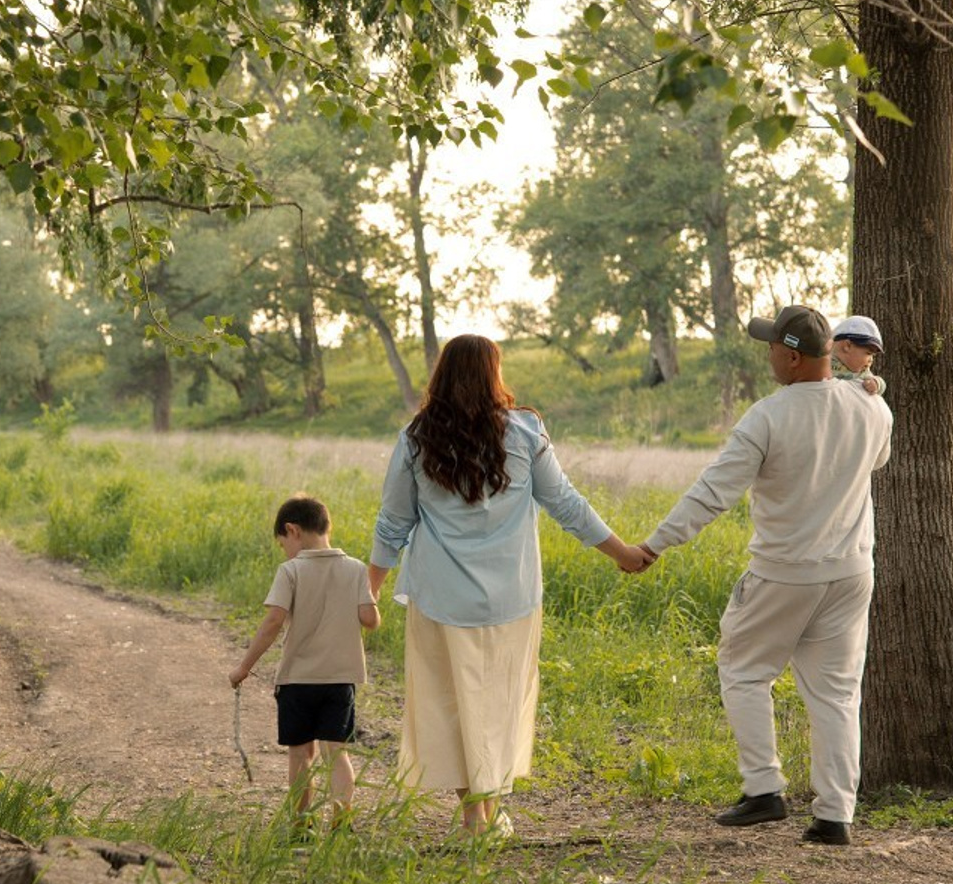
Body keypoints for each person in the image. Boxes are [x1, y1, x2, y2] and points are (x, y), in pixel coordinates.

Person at [368, 334, 649, 836]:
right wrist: (622, 552)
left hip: (440, 595)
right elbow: (565, 504)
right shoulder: (524, 432)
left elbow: (394, 522)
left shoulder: (416, 438)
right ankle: (488, 813)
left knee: (450, 702)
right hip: (512, 595)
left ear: (442, 375)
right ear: (494, 373)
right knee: (497, 702)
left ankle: (475, 813)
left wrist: (369, 590)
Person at [638, 304, 892, 846]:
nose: (769, 354)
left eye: (773, 346)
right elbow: (876, 462)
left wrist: (655, 544)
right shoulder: (872, 408)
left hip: (785, 572)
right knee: (837, 694)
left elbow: (713, 494)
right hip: (851, 572)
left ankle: (763, 790)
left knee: (743, 669)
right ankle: (834, 816)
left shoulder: (768, 416)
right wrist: (866, 389)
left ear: (793, 356)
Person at [230, 495, 380, 832]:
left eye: (283, 543)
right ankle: (342, 822)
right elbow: (369, 619)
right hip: (340, 680)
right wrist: (369, 603)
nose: (284, 551)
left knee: (301, 756)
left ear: (292, 530)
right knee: (336, 753)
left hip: (298, 680)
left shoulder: (291, 571)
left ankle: (301, 825)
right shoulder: (356, 569)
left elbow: (272, 623)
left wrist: (243, 667)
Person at [832, 314, 886, 396]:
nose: (871, 360)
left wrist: (876, 383)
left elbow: (881, 383)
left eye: (872, 356)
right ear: (847, 346)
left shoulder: (863, 373)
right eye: (868, 353)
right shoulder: (824, 363)